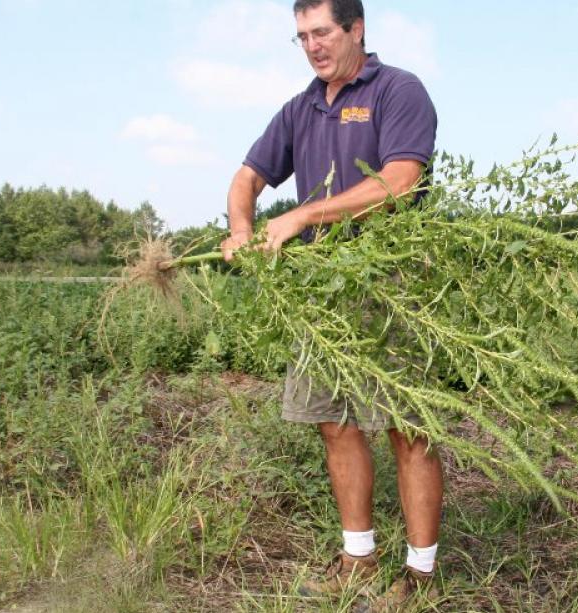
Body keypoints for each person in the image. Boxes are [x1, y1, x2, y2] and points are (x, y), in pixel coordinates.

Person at [219, 0, 443, 608]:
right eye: (301, 37)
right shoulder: (301, 108)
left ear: (356, 29)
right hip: (320, 293)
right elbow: (247, 177)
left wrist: (302, 214)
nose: (313, 46)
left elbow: (400, 181)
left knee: (407, 427)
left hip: (394, 285)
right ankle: (359, 559)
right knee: (335, 424)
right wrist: (242, 226)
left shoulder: (399, 90)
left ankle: (422, 572)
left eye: (322, 32)